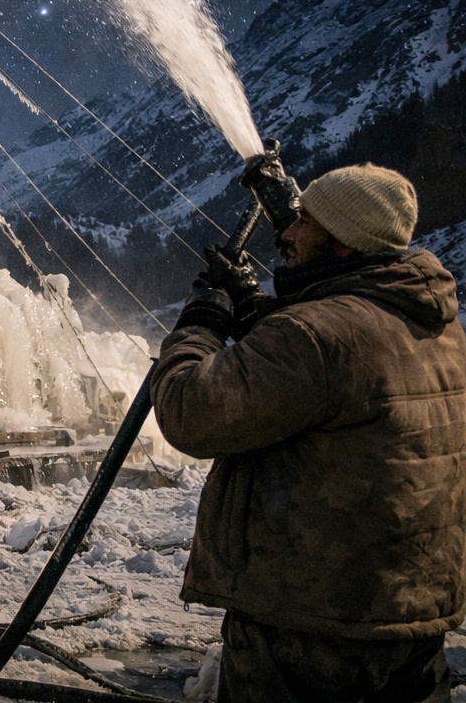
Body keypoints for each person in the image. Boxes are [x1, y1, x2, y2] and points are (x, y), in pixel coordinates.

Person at [152, 162, 466, 703]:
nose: (287, 233)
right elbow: (323, 375)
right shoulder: (432, 320)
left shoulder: (314, 336)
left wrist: (201, 324)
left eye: (305, 222)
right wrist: (254, 308)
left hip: (311, 623)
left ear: (344, 245)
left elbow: (189, 410)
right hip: (410, 610)